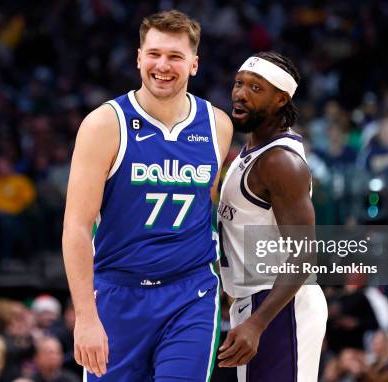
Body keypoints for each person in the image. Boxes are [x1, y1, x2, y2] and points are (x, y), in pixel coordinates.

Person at [62, 9, 232, 382]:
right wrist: (85, 318)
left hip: (191, 294)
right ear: (139, 57)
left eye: (175, 56)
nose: (163, 65)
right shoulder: (104, 124)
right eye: (154, 54)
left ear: (194, 64)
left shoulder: (218, 125)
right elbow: (76, 227)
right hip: (118, 294)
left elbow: (211, 210)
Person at [216, 52, 328, 381]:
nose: (240, 93)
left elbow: (305, 255)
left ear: (281, 99)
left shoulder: (280, 162)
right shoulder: (249, 153)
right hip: (256, 302)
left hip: (280, 306)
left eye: (255, 87)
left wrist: (258, 322)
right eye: (238, 84)